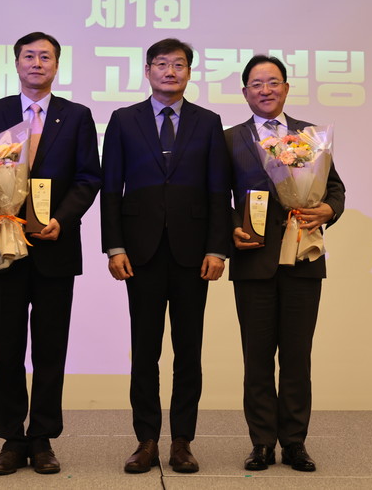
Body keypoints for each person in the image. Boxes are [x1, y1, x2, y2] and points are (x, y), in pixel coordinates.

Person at [0, 32, 102, 476]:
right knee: (6, 347)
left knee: (50, 347)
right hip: (5, 246)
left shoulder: (76, 116)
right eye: (29, 56)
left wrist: (63, 219)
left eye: (45, 57)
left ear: (57, 65)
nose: (37, 63)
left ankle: (42, 438)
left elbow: (88, 177)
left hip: (56, 246)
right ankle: (11, 438)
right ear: (17, 63)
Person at [100, 38, 230, 474]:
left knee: (188, 351)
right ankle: (146, 440)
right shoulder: (124, 120)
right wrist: (115, 247)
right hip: (141, 252)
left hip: (194, 254)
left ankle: (182, 442)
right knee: (145, 351)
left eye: (178, 64)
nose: (170, 71)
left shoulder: (208, 122)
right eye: (161, 64)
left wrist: (217, 247)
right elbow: (111, 189)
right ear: (147, 71)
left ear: (189, 72)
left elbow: (218, 190)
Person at [225, 54, 345, 473]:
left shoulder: (310, 137)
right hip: (254, 260)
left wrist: (328, 210)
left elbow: (335, 189)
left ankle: (295, 443)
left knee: (297, 356)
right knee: (257, 358)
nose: (266, 90)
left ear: (286, 88)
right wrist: (231, 227)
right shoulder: (228, 139)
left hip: (303, 257)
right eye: (257, 84)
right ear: (245, 92)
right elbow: (215, 197)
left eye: (273, 82)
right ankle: (261, 442)